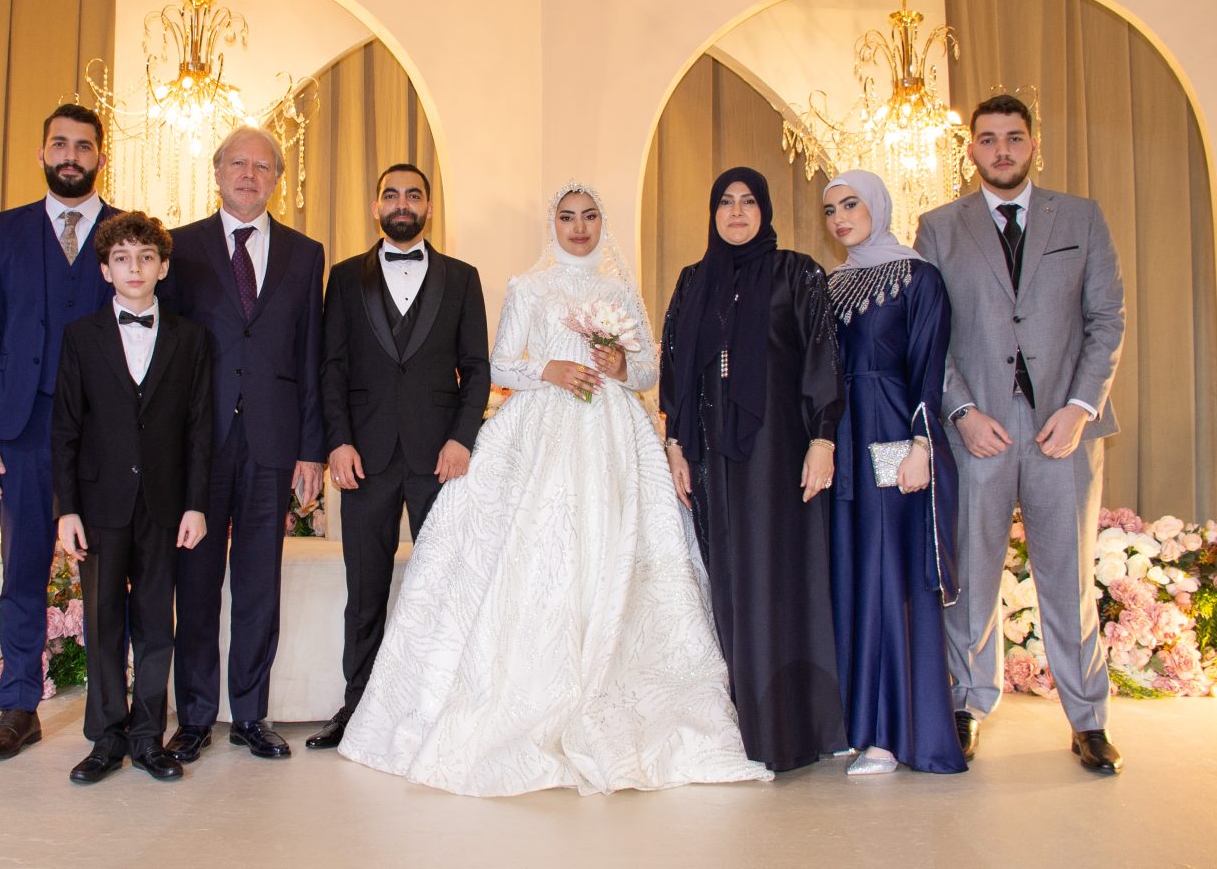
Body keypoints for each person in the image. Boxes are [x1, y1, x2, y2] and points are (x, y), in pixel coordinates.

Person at [339, 184, 772, 796]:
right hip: (540, 430)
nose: (579, 227)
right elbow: (498, 364)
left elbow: (650, 370)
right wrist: (549, 368)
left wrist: (621, 368)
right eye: (567, 217)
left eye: (589, 216)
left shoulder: (620, 290)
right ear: (554, 224)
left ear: (602, 222)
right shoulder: (529, 286)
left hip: (613, 437)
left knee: (614, 554)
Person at [914, 94, 1126, 774]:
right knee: (972, 578)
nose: (1001, 150)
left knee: (1068, 576)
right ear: (970, 149)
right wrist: (961, 412)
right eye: (987, 139)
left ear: (1034, 144)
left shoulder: (1082, 217)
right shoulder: (938, 228)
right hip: (979, 430)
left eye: (1013, 137)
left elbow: (1107, 320)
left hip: (1062, 430)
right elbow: (929, 335)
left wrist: (1081, 407)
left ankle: (1088, 720)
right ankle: (967, 705)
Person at [660, 166, 847, 773]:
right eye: (725, 202)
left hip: (780, 454)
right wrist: (676, 445)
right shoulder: (693, 281)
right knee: (729, 579)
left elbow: (822, 358)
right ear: (712, 213)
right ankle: (740, 723)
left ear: (765, 210)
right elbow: (675, 369)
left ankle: (791, 727)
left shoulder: (797, 273)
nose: (736, 212)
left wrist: (823, 438)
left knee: (780, 578)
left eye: (747, 201)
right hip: (710, 455)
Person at [306, 163, 490, 751]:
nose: (402, 203)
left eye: (413, 195)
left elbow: (477, 368)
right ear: (376, 206)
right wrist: (337, 441)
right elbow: (332, 368)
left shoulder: (462, 278)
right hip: (365, 458)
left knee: (442, 589)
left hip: (440, 459)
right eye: (391, 194)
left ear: (429, 208)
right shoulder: (344, 277)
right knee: (365, 593)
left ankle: (437, 711)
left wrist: (462, 439)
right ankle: (357, 709)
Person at [160, 126, 325, 761]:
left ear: (278, 179)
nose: (249, 175)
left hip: (272, 441)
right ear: (218, 171)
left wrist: (311, 447)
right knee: (196, 584)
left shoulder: (305, 254)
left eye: (262, 166)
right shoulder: (179, 247)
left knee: (259, 584)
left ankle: (252, 715)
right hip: (199, 443)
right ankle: (196, 717)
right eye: (238, 163)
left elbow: (309, 353)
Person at [0, 103, 120, 759]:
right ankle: (18, 707)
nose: (71, 156)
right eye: (60, 144)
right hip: (21, 429)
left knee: (107, 578)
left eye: (83, 146)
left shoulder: (128, 230)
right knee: (24, 570)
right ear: (41, 153)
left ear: (100, 157)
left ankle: (111, 715)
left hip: (104, 433)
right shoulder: (3, 230)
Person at [52, 212, 214, 784]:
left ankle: (147, 737)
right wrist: (67, 509)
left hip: (165, 505)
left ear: (163, 267)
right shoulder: (80, 337)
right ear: (105, 270)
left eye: (146, 258)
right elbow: (66, 428)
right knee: (101, 622)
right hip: (100, 504)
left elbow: (200, 428)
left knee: (155, 622)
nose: (135, 268)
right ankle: (106, 738)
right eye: (122, 258)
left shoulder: (191, 338)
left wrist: (196, 503)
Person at [820, 170, 966, 775]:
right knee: (849, 571)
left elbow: (929, 366)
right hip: (840, 439)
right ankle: (854, 723)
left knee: (886, 575)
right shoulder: (829, 284)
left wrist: (921, 446)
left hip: (892, 434)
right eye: (830, 210)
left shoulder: (917, 276)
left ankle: (887, 734)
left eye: (850, 205)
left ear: (877, 206)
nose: (839, 218)